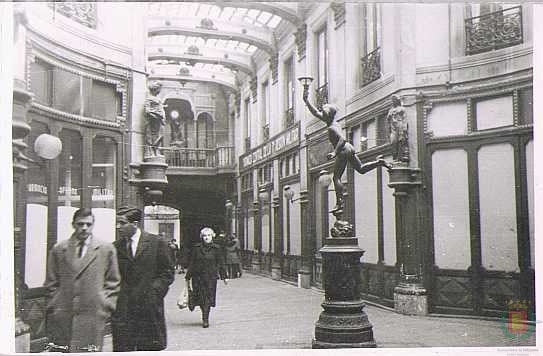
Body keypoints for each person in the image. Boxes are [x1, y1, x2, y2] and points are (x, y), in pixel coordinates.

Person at [302, 85, 392, 215]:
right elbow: (316, 113)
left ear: (328, 115)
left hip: (343, 149)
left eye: (324, 113)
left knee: (336, 178)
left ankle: (340, 203)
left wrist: (334, 153)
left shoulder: (331, 128)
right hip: (349, 148)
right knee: (360, 169)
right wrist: (306, 100)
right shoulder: (333, 122)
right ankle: (380, 162)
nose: (322, 114)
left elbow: (342, 139)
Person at [44, 208, 120, 352]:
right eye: (80, 224)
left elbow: (113, 282)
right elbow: (51, 282)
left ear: (93, 225)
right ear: (73, 225)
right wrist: (55, 306)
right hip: (64, 315)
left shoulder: (106, 249)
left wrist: (105, 306)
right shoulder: (59, 249)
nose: (84, 228)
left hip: (93, 315)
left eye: (88, 224)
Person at [111, 207, 175, 351]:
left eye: (122, 223)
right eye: (117, 223)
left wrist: (154, 292)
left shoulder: (156, 243)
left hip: (148, 310)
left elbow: (167, 272)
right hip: (124, 311)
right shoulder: (115, 247)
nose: (118, 227)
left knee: (148, 348)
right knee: (123, 348)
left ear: (135, 224)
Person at [185, 227, 228, 328]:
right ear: (202, 237)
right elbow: (192, 262)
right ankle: (204, 313)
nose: (206, 238)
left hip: (210, 278)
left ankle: (205, 318)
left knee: (208, 298)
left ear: (212, 236)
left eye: (208, 235)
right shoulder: (197, 248)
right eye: (204, 236)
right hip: (197, 277)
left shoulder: (216, 249)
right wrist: (188, 276)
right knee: (200, 298)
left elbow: (221, 263)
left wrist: (224, 276)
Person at [387, 95, 409, 163]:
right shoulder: (390, 110)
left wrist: (404, 128)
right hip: (393, 127)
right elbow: (388, 121)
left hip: (400, 125)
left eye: (394, 100)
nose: (393, 101)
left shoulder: (402, 109)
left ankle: (400, 158)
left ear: (397, 100)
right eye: (392, 100)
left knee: (401, 141)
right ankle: (395, 157)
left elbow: (405, 119)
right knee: (393, 141)